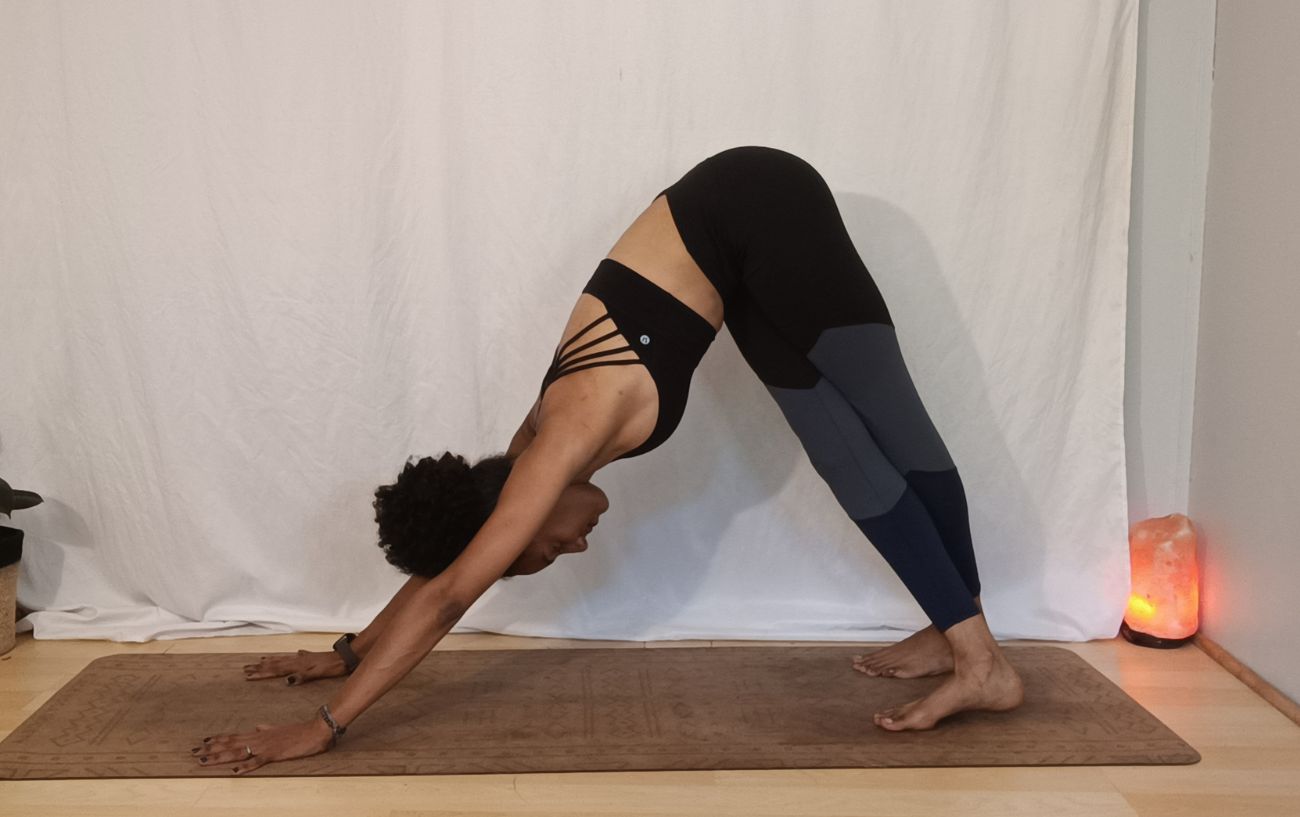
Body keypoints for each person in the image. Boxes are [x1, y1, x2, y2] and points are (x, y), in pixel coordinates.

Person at [192, 146, 1024, 774]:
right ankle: (959, 631)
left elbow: (452, 595)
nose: (575, 546)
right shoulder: (518, 458)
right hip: (731, 254)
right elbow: (449, 566)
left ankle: (979, 657)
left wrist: (327, 724)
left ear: (516, 504)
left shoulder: (559, 441)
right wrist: (347, 649)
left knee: (895, 429)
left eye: (547, 546)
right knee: (845, 457)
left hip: (762, 202)